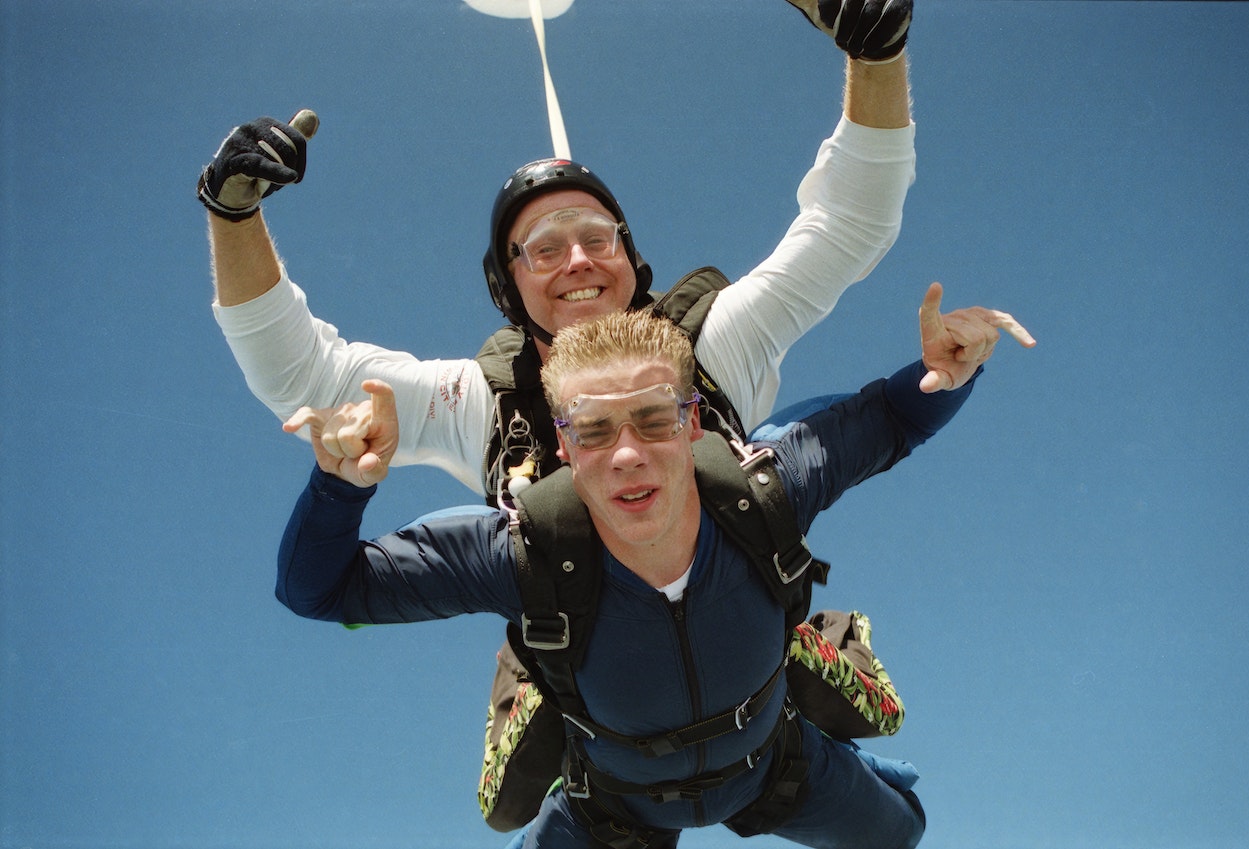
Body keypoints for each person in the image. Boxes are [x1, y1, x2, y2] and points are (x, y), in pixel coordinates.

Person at [201, 0, 921, 830]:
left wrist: (879, 58)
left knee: (774, 461)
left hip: (743, 657)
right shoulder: (480, 403)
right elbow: (302, 372)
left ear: (632, 260)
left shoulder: (712, 346)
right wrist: (234, 215)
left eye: (596, 237)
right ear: (509, 288)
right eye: (543, 248)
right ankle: (531, 685)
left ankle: (796, 636)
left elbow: (847, 228)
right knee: (558, 585)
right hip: (602, 717)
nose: (577, 259)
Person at [276, 286, 1035, 849]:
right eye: (596, 430)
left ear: (693, 421)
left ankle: (812, 649)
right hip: (612, 802)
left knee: (899, 831)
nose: (629, 452)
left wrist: (946, 370)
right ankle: (527, 696)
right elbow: (318, 589)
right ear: (564, 448)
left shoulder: (766, 484)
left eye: (653, 417)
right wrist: (339, 486)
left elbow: (893, 417)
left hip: (772, 758)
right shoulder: (522, 551)